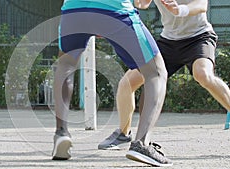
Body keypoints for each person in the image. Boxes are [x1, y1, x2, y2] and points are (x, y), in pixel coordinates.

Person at [99, 0, 230, 165]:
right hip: (168, 43)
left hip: (199, 37)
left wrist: (180, 10)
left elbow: (201, 6)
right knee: (127, 83)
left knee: (203, 74)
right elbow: (141, 4)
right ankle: (123, 133)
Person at [52, 0, 173, 166]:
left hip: (74, 8)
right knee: (156, 72)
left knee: (66, 65)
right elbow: (141, 2)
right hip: (114, 8)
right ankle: (141, 144)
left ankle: (61, 133)